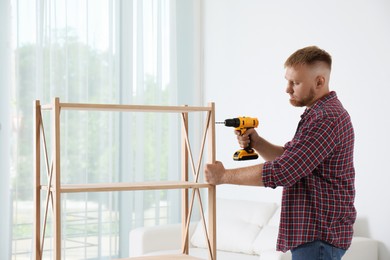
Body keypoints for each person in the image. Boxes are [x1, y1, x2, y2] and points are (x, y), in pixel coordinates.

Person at [204, 46, 356, 260]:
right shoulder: (317, 114)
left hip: (319, 236)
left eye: (295, 82)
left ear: (319, 82)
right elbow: (291, 159)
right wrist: (256, 142)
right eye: (287, 81)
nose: (287, 89)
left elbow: (284, 170)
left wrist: (223, 176)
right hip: (315, 236)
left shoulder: (326, 118)